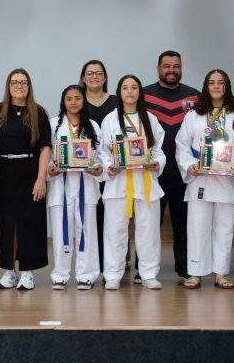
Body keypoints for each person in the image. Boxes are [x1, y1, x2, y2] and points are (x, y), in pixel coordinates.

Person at [175, 69, 234, 289]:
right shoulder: (194, 115)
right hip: (200, 179)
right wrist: (188, 165)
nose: (215, 86)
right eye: (211, 82)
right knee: (197, 226)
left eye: (220, 83)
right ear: (206, 86)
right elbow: (182, 145)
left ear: (226, 87)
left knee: (224, 228)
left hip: (228, 180)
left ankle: (221, 273)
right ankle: (195, 273)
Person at [99, 75, 166, 290]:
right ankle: (112, 274)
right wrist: (109, 165)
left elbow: (158, 151)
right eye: (125, 87)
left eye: (134, 87)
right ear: (119, 92)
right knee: (115, 231)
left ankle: (148, 273)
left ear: (139, 92)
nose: (129, 91)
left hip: (145, 182)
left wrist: (156, 163)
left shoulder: (150, 119)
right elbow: (103, 152)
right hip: (118, 182)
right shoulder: (110, 119)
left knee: (148, 231)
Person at [0, 68, 51, 291]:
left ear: (29, 86)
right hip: (4, 172)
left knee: (30, 222)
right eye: (14, 82)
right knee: (7, 222)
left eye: (23, 83)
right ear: (8, 86)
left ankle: (27, 271)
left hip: (30, 170)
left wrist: (40, 178)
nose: (19, 86)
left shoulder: (38, 112)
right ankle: (9, 271)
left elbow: (45, 147)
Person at [143, 50, 199, 283]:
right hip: (152, 170)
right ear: (158, 68)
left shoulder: (195, 96)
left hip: (184, 172)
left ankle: (184, 267)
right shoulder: (144, 95)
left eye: (176, 66)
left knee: (183, 221)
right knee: (149, 223)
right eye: (167, 66)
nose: (171, 70)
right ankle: (144, 269)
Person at [46, 85, 103, 290]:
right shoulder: (53, 125)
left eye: (77, 98)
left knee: (86, 231)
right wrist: (50, 169)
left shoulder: (93, 126)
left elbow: (101, 156)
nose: (73, 102)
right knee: (61, 232)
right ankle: (60, 275)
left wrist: (98, 169)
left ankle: (86, 275)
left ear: (83, 100)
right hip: (60, 188)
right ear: (63, 101)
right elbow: (46, 155)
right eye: (69, 98)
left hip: (85, 186)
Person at [79, 59, 116, 277]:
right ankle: (93, 264)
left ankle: (114, 262)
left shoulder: (115, 101)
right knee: (91, 216)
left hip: (113, 167)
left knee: (113, 216)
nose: (94, 77)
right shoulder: (76, 100)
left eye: (99, 73)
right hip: (86, 170)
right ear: (83, 78)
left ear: (105, 77)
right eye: (90, 73)